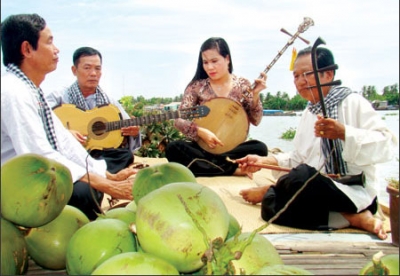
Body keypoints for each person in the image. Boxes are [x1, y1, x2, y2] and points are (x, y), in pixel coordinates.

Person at [235, 46, 397, 239]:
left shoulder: (353, 102)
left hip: (351, 192)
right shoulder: (309, 112)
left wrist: (344, 133)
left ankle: (354, 211)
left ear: (328, 74)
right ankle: (353, 219)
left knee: (298, 178)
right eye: (296, 76)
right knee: (270, 206)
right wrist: (262, 161)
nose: (300, 82)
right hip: (313, 190)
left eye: (307, 74)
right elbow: (298, 159)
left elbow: (388, 145)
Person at [1, 13, 137, 220]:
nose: (57, 50)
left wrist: (107, 176)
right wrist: (110, 186)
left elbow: (64, 143)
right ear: (27, 49)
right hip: (16, 186)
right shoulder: (13, 91)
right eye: (49, 42)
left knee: (93, 182)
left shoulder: (30, 89)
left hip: (40, 174)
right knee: (85, 193)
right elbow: (41, 157)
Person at [165, 37, 268, 177]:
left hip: (232, 148)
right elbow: (178, 120)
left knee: (260, 148)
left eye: (214, 61)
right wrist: (201, 132)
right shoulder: (196, 87)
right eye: (205, 62)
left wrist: (255, 95)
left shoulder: (243, 85)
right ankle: (232, 169)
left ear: (227, 59)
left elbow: (256, 120)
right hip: (203, 148)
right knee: (173, 148)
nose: (209, 67)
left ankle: (211, 165)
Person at [46, 46, 141, 174]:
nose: (93, 73)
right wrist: (65, 132)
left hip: (99, 154)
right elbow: (37, 118)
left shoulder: (109, 102)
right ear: (74, 70)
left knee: (125, 155)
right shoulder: (58, 97)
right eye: (87, 68)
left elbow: (128, 124)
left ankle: (90, 173)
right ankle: (96, 174)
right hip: (70, 153)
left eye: (97, 68)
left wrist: (134, 133)